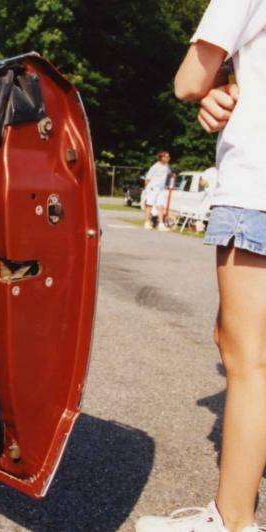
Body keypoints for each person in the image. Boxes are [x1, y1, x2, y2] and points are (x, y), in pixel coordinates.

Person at [135, 0, 266, 531]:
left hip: (259, 183)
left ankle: (232, 520)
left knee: (249, 358)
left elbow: (189, 81)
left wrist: (218, 82)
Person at [143, 151, 172, 231]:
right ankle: (146, 223)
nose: (168, 158)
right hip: (152, 188)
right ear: (161, 158)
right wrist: (146, 190)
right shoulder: (155, 167)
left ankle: (161, 224)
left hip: (161, 189)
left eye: (168, 157)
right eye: (166, 157)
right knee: (149, 205)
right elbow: (147, 179)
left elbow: (169, 173)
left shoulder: (167, 166)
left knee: (160, 205)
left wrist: (172, 175)